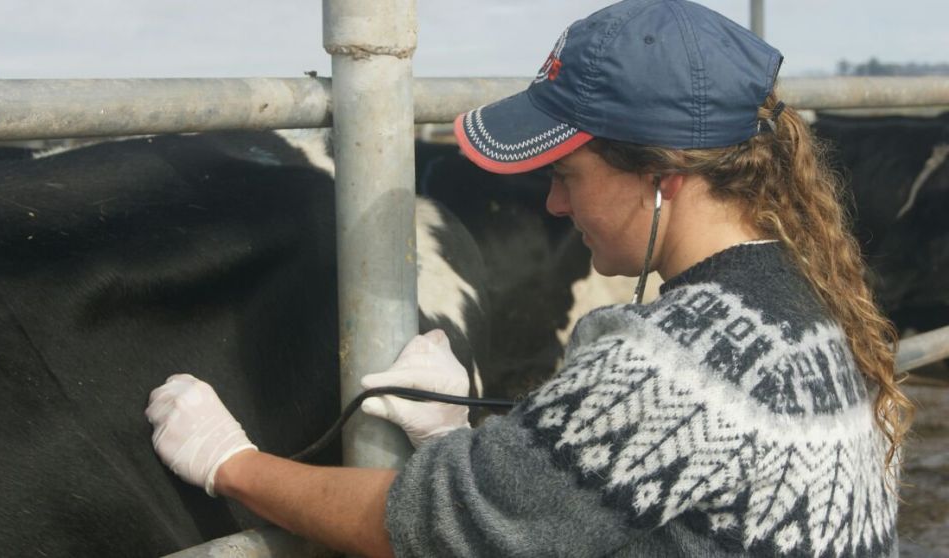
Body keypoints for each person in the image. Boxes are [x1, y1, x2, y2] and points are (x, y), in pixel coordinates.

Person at [146, 0, 912, 556]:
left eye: (567, 174)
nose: (552, 201)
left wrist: (234, 464)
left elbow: (428, 530)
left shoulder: (673, 361)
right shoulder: (809, 302)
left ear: (661, 175)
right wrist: (463, 439)